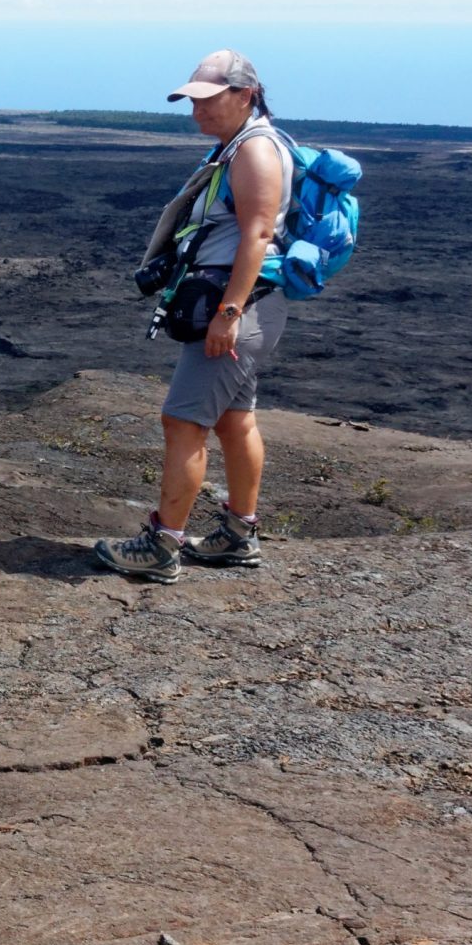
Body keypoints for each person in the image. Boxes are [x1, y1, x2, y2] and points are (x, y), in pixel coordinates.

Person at [94, 49, 292, 584]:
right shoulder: (240, 146)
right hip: (249, 304)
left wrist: (228, 313)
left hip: (238, 306)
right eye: (192, 101)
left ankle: (162, 545)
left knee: (183, 422)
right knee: (234, 418)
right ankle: (238, 534)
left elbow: (256, 234)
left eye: (207, 100)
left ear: (246, 95)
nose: (196, 112)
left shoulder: (254, 152)